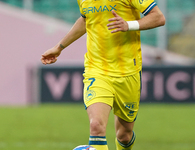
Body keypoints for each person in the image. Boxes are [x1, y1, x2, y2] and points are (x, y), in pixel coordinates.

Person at [41, 0, 165, 149]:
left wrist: (129, 25)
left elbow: (158, 17)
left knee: (124, 135)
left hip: (127, 72)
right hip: (97, 70)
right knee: (96, 126)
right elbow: (86, 19)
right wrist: (59, 47)